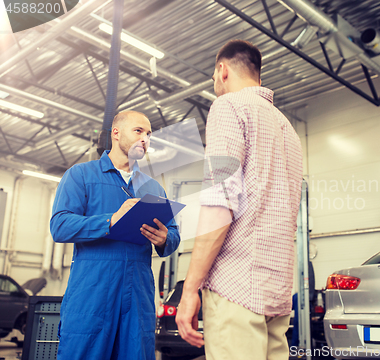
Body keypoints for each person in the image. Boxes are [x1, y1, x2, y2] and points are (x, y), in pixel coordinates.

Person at [175, 40, 303, 360]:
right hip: (276, 293)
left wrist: (190, 289)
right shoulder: (287, 129)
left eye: (214, 76)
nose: (215, 84)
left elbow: (220, 204)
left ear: (223, 70)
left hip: (236, 290)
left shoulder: (229, 106)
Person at [50, 110, 180, 360]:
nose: (145, 138)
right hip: (92, 292)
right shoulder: (81, 175)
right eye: (138, 131)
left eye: (149, 134)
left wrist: (165, 239)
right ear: (116, 134)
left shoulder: (153, 188)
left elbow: (172, 234)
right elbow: (60, 225)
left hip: (138, 295)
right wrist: (110, 220)